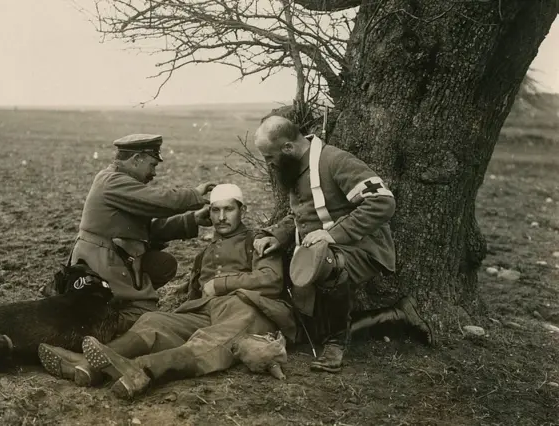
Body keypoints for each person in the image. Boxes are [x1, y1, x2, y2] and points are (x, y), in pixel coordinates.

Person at [39, 184, 296, 398]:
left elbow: (271, 279)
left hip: (246, 308)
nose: (221, 217)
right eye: (215, 210)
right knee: (154, 320)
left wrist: (222, 284)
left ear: (243, 210)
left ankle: (142, 369)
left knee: (209, 342)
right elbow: (195, 292)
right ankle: (89, 363)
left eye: (229, 209)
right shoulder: (208, 250)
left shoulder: (257, 240)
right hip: (205, 309)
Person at [251, 116, 434, 373]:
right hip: (325, 252)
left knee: (330, 263)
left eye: (270, 158)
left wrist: (334, 234)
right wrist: (276, 236)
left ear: (288, 148)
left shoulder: (335, 161)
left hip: (363, 248)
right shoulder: (298, 168)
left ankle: (336, 345)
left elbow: (382, 202)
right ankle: (397, 315)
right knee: (307, 333)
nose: (270, 165)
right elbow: (303, 215)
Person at [39, 133, 215, 383]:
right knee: (145, 313)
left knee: (164, 265)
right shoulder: (113, 182)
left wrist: (192, 220)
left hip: (115, 258)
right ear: (137, 159)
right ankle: (95, 330)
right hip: (100, 260)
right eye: (152, 165)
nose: (153, 172)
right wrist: (195, 196)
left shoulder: (119, 183)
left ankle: (111, 314)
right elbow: (158, 201)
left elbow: (146, 230)